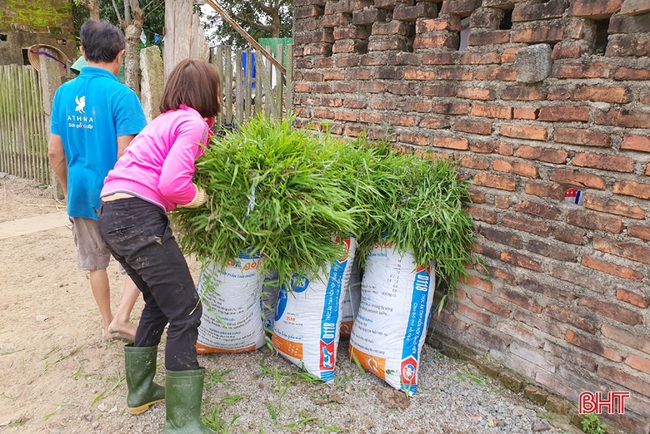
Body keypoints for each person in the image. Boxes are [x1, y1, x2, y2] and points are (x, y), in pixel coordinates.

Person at [97, 58, 221, 432]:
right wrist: (201, 197)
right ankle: (182, 423)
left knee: (157, 300)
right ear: (206, 93)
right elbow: (171, 186)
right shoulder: (193, 123)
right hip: (137, 215)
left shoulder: (164, 120)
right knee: (186, 310)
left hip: (110, 211)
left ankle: (141, 391)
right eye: (216, 90)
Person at [48, 19, 146, 344]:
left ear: (82, 51)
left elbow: (54, 152)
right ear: (120, 55)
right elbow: (126, 155)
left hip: (79, 191)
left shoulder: (63, 93)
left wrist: (67, 191)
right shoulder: (122, 96)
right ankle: (122, 318)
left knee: (94, 262)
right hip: (116, 196)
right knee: (139, 258)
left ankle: (106, 325)